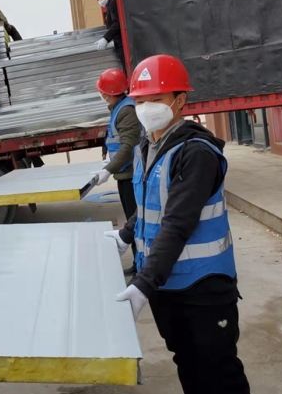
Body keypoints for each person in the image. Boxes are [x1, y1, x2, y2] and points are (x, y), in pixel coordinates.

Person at [104, 55, 250, 394]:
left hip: (202, 288)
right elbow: (149, 206)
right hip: (167, 284)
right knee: (187, 362)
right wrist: (125, 236)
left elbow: (177, 222)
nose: (145, 108)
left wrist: (143, 283)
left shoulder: (195, 153)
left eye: (155, 99)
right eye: (140, 101)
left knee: (219, 371)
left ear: (180, 100)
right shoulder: (148, 145)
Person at [92, 69, 142, 276]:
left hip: (131, 175)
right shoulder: (119, 107)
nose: (101, 94)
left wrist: (108, 169)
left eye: (103, 91)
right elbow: (118, 141)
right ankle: (139, 263)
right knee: (133, 220)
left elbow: (128, 146)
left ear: (109, 92)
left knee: (135, 221)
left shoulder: (126, 111)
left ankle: (142, 266)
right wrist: (109, 159)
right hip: (124, 173)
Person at [93, 0, 125, 71]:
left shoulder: (113, 4)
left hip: (122, 45)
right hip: (119, 45)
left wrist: (106, 38)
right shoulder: (109, 7)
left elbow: (117, 24)